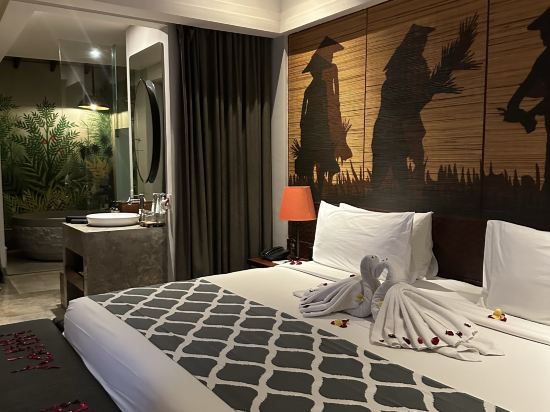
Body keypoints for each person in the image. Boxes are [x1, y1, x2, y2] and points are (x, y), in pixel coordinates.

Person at [499, 8, 550, 194]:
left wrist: (528, 114)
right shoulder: (544, 59)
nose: (542, 37)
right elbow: (521, 92)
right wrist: (523, 114)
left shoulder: (544, 59)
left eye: (545, 31)